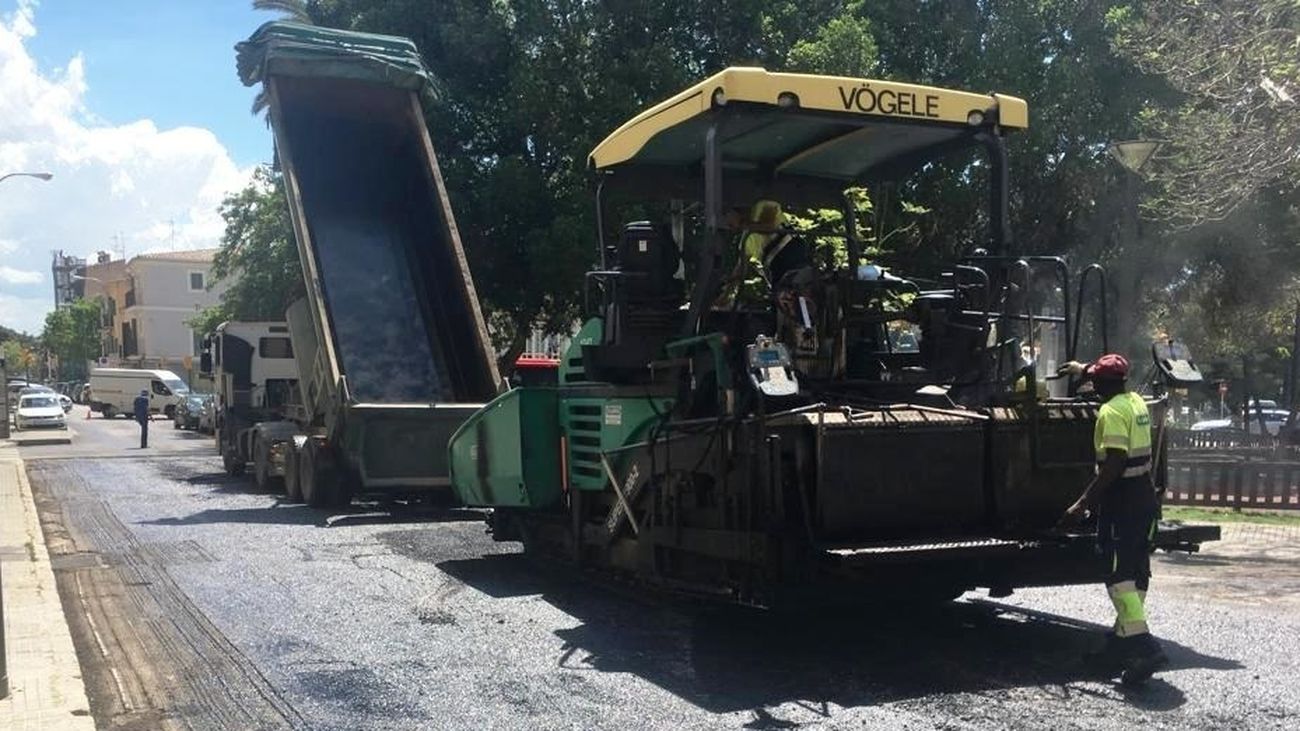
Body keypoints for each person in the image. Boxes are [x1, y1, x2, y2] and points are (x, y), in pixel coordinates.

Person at [1059, 353, 1167, 685]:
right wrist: (1083, 368)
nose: (1090, 384)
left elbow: (1115, 462)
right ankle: (1118, 647)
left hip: (1122, 503)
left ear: (1102, 384)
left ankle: (1144, 645)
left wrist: (1081, 504)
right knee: (1135, 571)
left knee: (1118, 574)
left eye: (1093, 380)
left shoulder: (1109, 411)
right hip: (1145, 499)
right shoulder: (1134, 402)